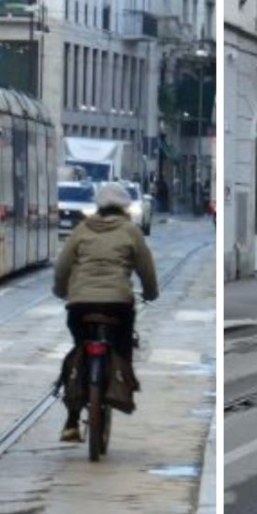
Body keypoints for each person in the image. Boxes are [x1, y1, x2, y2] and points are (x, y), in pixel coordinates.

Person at [53, 183, 159, 442]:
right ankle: (123, 384)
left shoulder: (82, 229)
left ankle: (71, 421)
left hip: (81, 305)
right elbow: (146, 268)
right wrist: (151, 293)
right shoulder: (131, 231)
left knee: (79, 349)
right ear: (124, 207)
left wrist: (61, 290)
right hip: (117, 305)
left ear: (99, 205)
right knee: (122, 346)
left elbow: (63, 266)